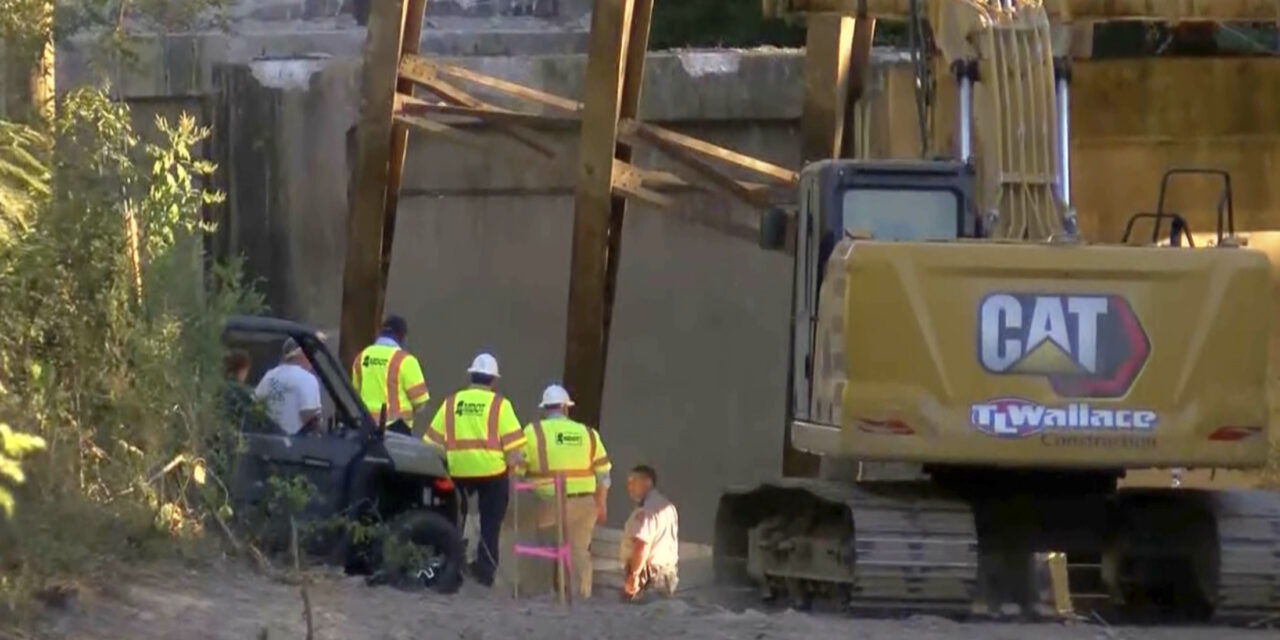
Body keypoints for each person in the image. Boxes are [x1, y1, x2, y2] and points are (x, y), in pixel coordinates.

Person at [423, 353, 526, 587]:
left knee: (451, 519)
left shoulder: (451, 403)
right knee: (491, 523)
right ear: (493, 380)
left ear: (471, 376)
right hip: (492, 473)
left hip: (457, 471)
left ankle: (450, 564)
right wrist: (517, 467)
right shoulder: (500, 405)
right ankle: (484, 572)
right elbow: (514, 449)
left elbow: (430, 443)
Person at [519, 384, 611, 599]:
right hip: (585, 504)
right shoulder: (588, 433)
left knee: (540, 545)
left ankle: (542, 593)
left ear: (544, 409)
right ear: (566, 409)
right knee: (579, 551)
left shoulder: (533, 431)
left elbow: (518, 470)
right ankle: (579, 597)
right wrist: (601, 503)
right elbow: (604, 474)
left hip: (549, 502)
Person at [351, 315, 430, 433]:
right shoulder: (406, 360)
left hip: (366, 426)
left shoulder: (362, 357)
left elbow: (354, 391)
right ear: (401, 336)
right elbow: (420, 401)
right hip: (396, 429)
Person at [621, 465, 679, 600]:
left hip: (647, 577)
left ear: (647, 482)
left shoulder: (646, 510)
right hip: (667, 574)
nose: (629, 486)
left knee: (639, 616)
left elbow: (642, 545)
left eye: (633, 481)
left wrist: (634, 575)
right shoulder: (668, 506)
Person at [253, 337, 322, 435]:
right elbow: (309, 415)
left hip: (268, 440)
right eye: (311, 355)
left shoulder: (270, 375)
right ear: (302, 354)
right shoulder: (308, 379)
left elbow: (256, 406)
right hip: (296, 444)